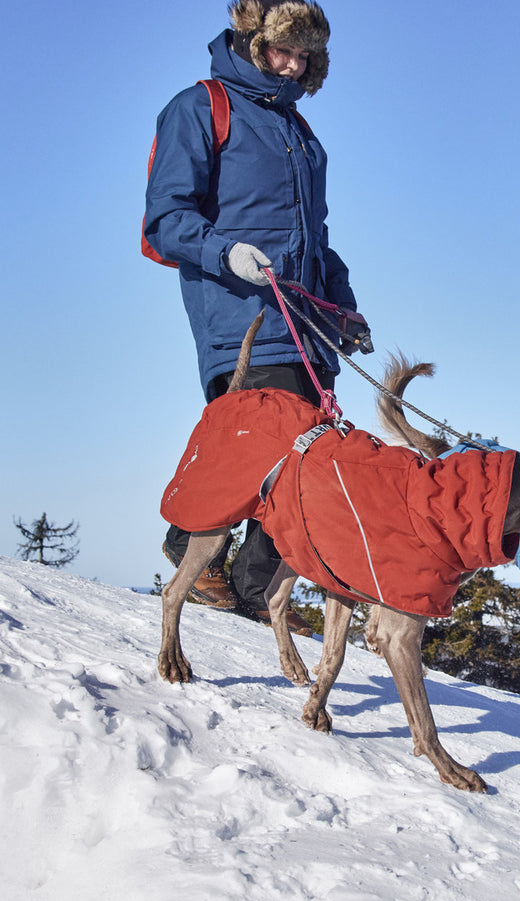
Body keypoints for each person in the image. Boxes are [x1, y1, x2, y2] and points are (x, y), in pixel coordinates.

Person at [145, 0, 368, 633]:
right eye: (283, 51)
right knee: (288, 447)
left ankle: (237, 576)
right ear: (251, 41)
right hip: (239, 312)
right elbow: (165, 220)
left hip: (305, 324)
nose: (294, 65)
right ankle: (212, 559)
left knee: (304, 447)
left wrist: (343, 309)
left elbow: (315, 238)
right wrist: (227, 253)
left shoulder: (299, 131)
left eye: (306, 57)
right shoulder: (198, 108)